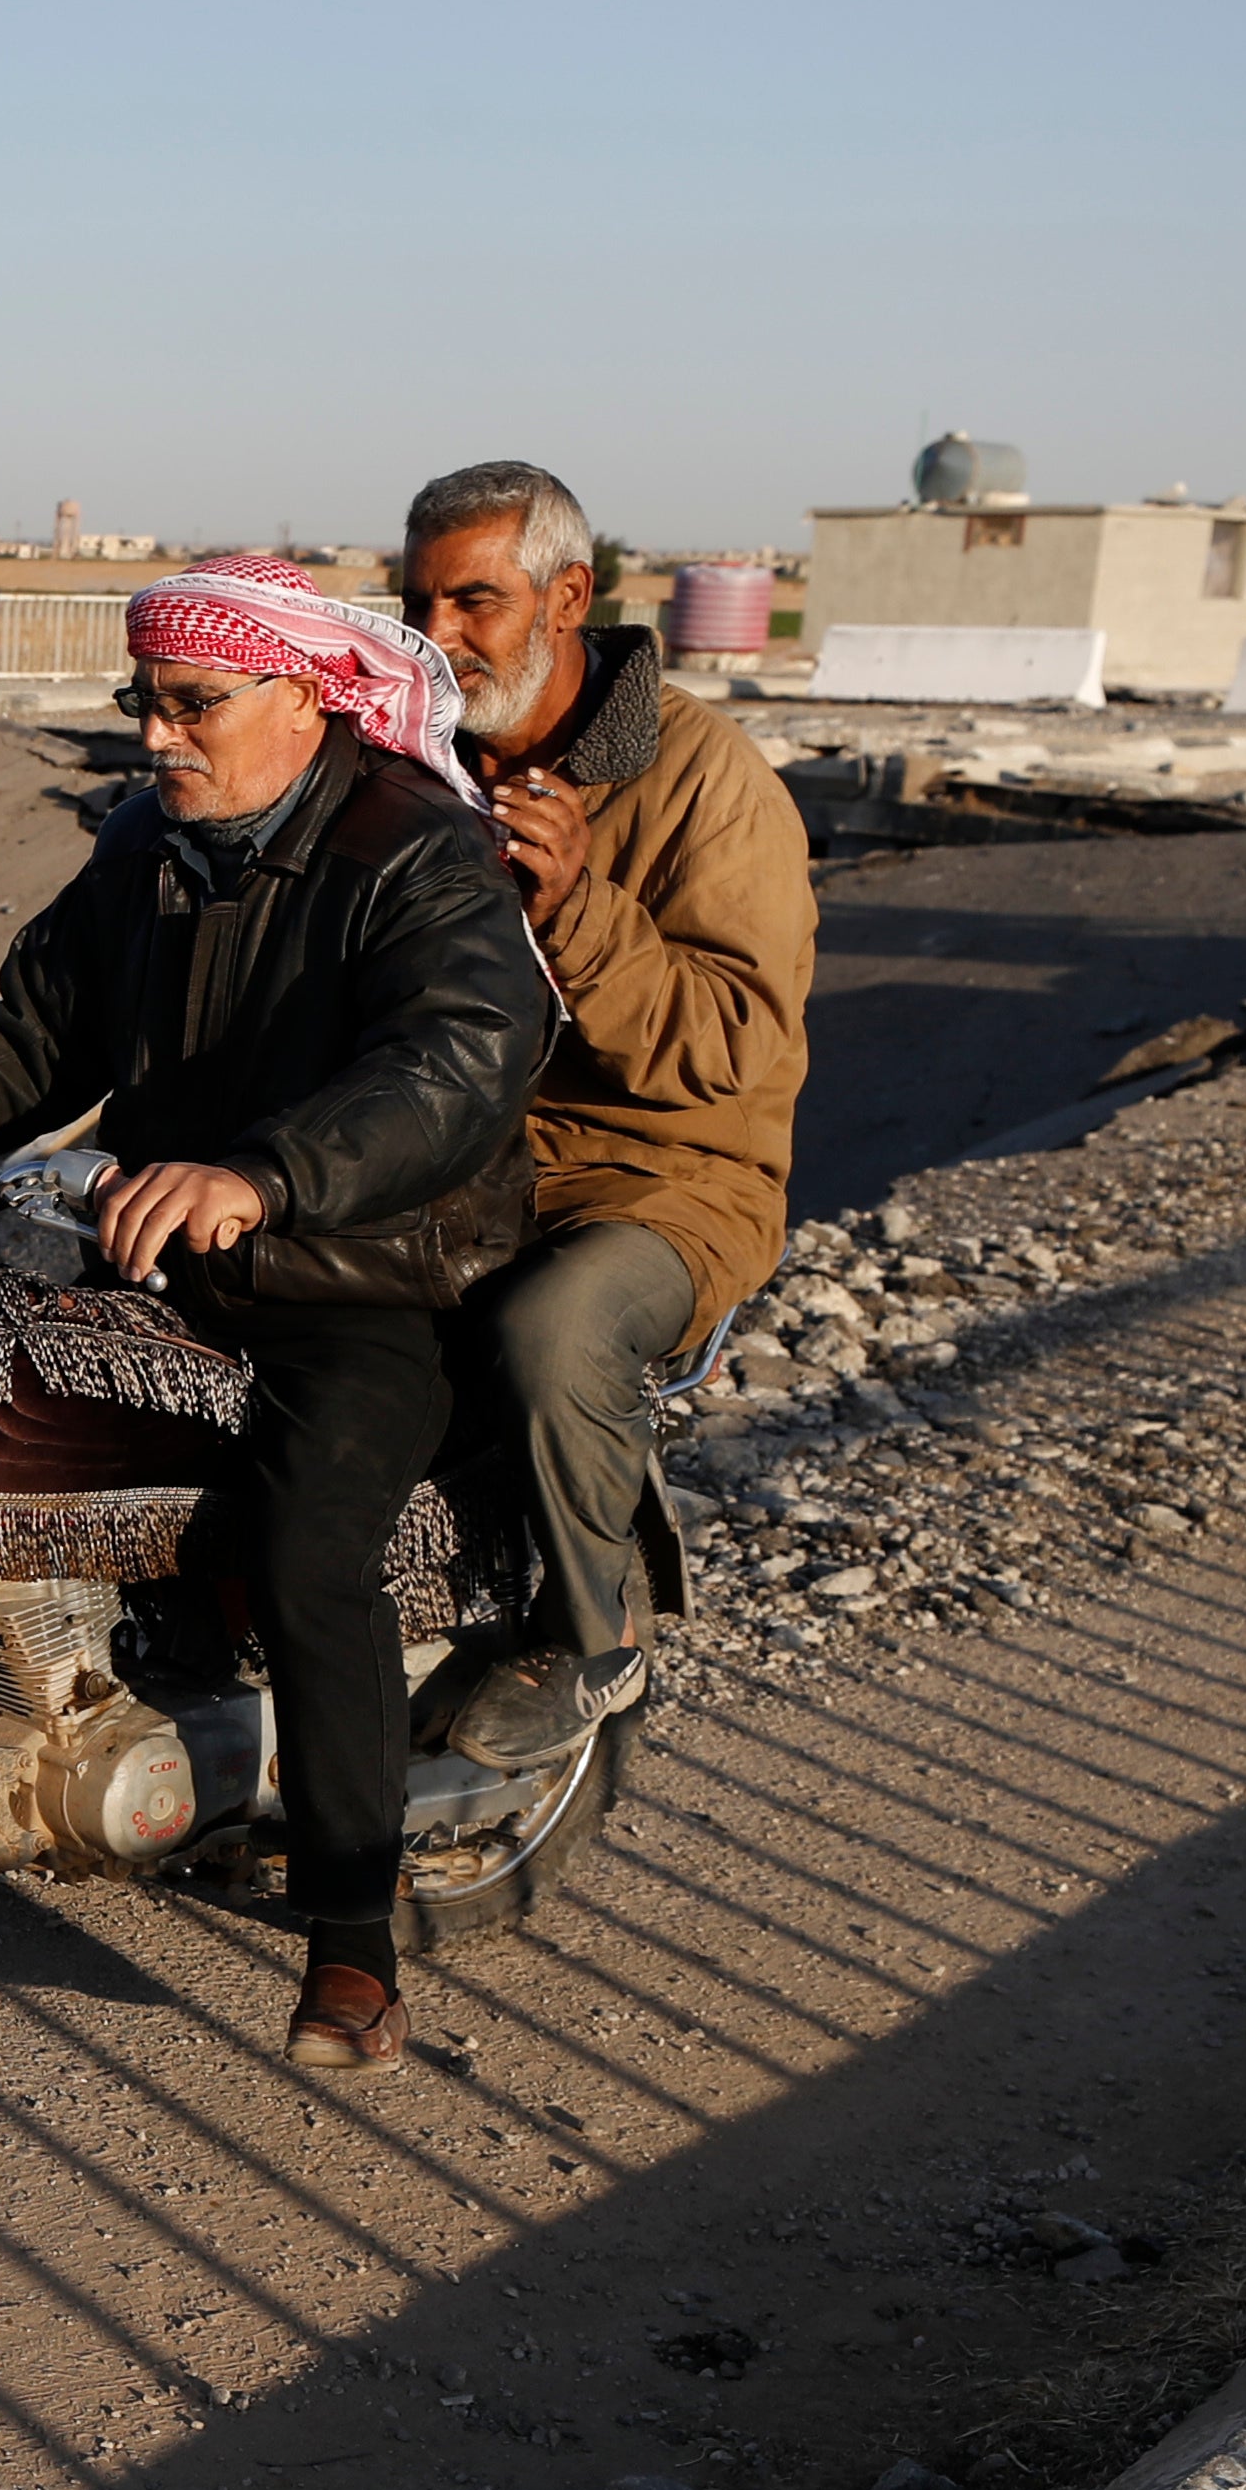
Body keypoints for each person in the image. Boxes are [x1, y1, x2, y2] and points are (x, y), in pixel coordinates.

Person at [0, 556, 553, 2074]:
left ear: (302, 698)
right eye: (144, 701)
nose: (157, 734)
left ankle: (353, 1939)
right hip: (173, 1257)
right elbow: (31, 1036)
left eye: (192, 702)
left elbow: (460, 1058)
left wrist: (265, 1177)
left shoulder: (417, 847)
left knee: (310, 1548)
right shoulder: (150, 846)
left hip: (371, 1281)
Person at [391, 462, 817, 1771]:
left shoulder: (709, 782)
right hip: (465, 1160)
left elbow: (734, 1047)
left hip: (668, 1180)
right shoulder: (422, 759)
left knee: (552, 1323)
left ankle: (591, 1635)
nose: (441, 637)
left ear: (568, 598)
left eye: (476, 602)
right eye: (419, 604)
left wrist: (579, 910)